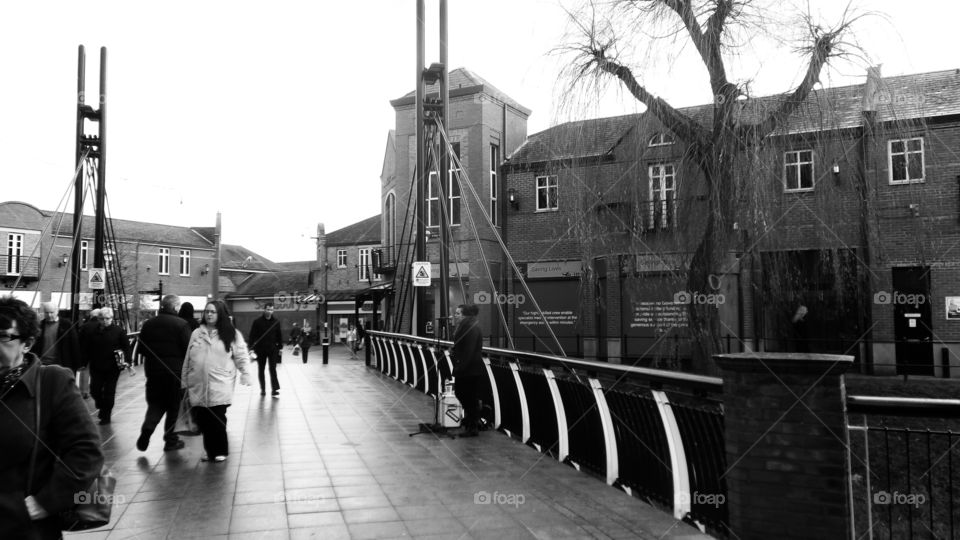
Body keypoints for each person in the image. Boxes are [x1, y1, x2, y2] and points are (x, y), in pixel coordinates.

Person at [0, 295, 104, 539]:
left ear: (27, 343)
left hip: (22, 528)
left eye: (4, 337)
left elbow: (86, 451)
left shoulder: (52, 383)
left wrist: (45, 502)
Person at [181, 300, 252, 463]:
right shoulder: (196, 333)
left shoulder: (232, 334)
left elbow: (241, 356)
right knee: (203, 420)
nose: (209, 314)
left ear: (220, 314)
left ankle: (220, 450)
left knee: (217, 418)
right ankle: (209, 450)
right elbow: (187, 358)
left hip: (220, 383)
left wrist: (246, 374)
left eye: (213, 312)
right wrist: (184, 380)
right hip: (197, 384)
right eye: (207, 312)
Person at [136, 295, 192, 452]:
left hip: (153, 371)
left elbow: (141, 350)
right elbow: (188, 350)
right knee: (174, 407)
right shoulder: (182, 324)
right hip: (175, 373)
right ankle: (170, 440)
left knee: (156, 404)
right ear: (174, 308)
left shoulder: (148, 324)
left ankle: (148, 428)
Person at [81, 307, 131, 425]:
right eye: (102, 319)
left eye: (107, 319)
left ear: (111, 318)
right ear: (98, 319)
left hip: (113, 367)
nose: (104, 321)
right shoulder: (93, 332)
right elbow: (87, 349)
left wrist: (128, 361)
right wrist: (83, 362)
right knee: (94, 390)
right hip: (96, 365)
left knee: (109, 392)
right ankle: (101, 405)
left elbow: (126, 347)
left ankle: (106, 415)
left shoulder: (119, 331)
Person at [451, 304, 485, 437]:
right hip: (468, 368)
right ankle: (471, 421)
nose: (455, 315)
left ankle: (473, 426)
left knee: (468, 396)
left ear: (465, 315)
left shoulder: (470, 327)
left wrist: (460, 367)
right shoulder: (467, 326)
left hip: (470, 369)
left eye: (458, 313)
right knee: (465, 394)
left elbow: (469, 350)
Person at [31, 302, 81, 373]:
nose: (49, 315)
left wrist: (77, 364)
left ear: (57, 311)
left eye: (52, 312)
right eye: (46, 312)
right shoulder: (40, 325)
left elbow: (74, 344)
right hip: (42, 364)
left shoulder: (67, 325)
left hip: (61, 364)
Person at [248, 303, 282, 397]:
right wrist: (251, 348)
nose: (269, 311)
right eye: (268, 309)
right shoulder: (257, 322)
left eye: (271, 309)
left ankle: (274, 389)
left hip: (272, 349)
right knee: (261, 369)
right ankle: (263, 389)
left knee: (273, 369)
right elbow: (252, 336)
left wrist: (280, 348)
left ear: (273, 310)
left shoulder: (276, 322)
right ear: (264, 309)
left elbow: (279, 335)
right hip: (260, 349)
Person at [76, 308, 101, 399]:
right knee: (97, 372)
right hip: (98, 353)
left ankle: (84, 391)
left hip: (85, 353)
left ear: (91, 316)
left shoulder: (85, 326)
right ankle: (96, 390)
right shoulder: (101, 325)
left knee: (84, 372)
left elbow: (79, 340)